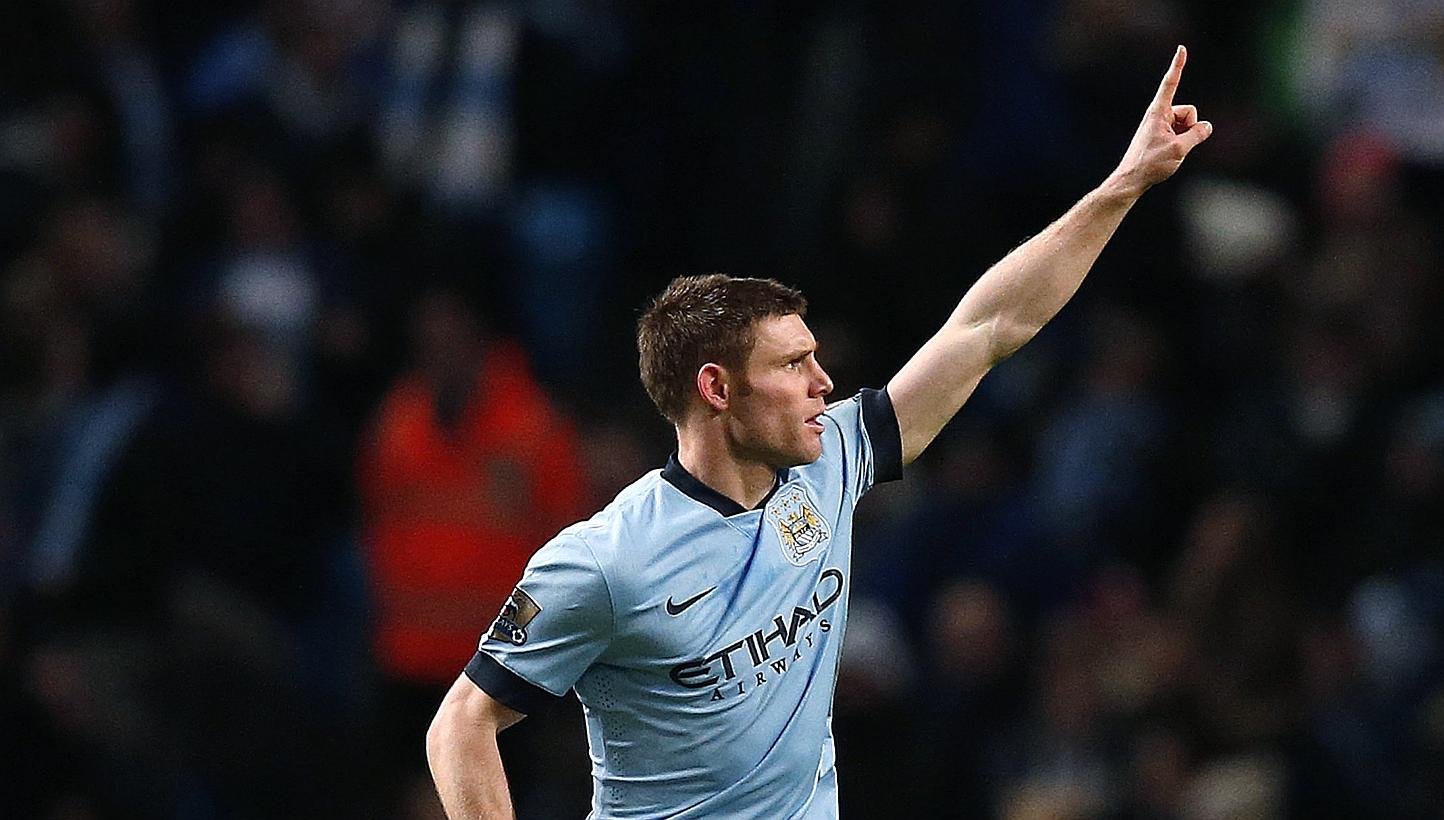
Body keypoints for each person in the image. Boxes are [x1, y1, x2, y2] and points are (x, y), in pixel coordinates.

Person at [427, 46, 1212, 819]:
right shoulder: (606, 561)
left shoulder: (833, 459)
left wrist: (1125, 183)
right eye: (795, 364)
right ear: (717, 389)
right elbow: (462, 724)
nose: (825, 383)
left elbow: (989, 327)